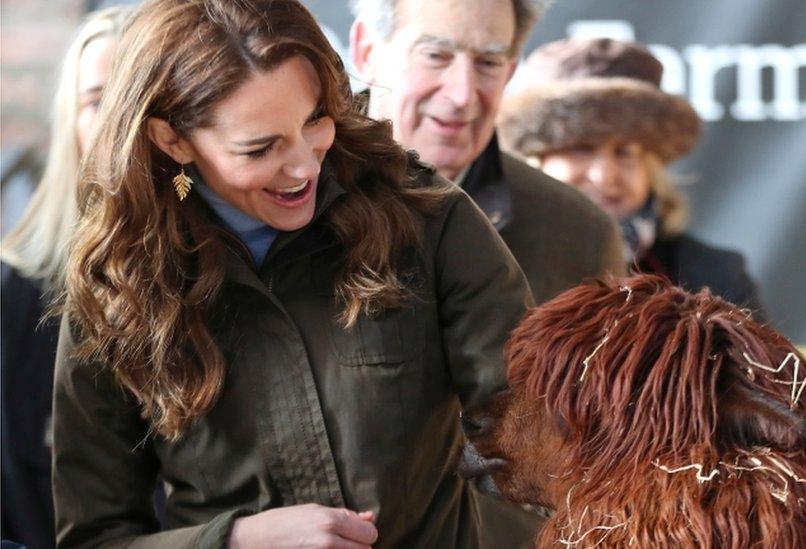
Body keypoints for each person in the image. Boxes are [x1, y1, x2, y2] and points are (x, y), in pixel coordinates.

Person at [52, 1, 534, 547]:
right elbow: (93, 536)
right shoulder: (117, 283)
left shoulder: (425, 218)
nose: (306, 165)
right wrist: (231, 542)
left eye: (314, 121)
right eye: (260, 148)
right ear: (173, 140)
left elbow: (537, 440)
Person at [348, 0, 627, 305]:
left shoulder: (581, 237)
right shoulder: (301, 202)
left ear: (509, 72)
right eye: (436, 56)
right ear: (366, 52)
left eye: (488, 63)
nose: (462, 94)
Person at [498, 37, 764, 312]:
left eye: (624, 152)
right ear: (535, 161)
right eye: (581, 149)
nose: (604, 176)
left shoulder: (714, 277)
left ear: (650, 167)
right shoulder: (497, 263)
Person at [0, 7, 129, 548]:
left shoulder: (227, 270)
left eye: (139, 94)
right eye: (98, 99)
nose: (119, 119)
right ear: (69, 123)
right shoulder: (16, 293)